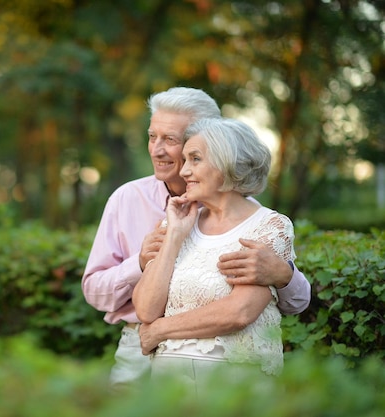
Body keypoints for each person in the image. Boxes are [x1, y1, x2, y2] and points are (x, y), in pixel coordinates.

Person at [81, 87, 310, 390]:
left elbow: (276, 304)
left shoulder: (256, 219)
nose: (157, 150)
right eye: (152, 137)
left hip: (221, 361)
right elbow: (96, 292)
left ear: (214, 146)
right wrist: (139, 262)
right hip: (140, 346)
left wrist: (284, 275)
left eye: (171, 140)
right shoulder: (128, 199)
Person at [132, 117, 291, 392]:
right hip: (169, 381)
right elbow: (146, 309)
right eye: (184, 159)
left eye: (195, 159)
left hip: (235, 379)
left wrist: (159, 330)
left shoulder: (269, 227)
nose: (183, 171)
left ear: (226, 163)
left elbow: (239, 311)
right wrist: (174, 237)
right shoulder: (176, 222)